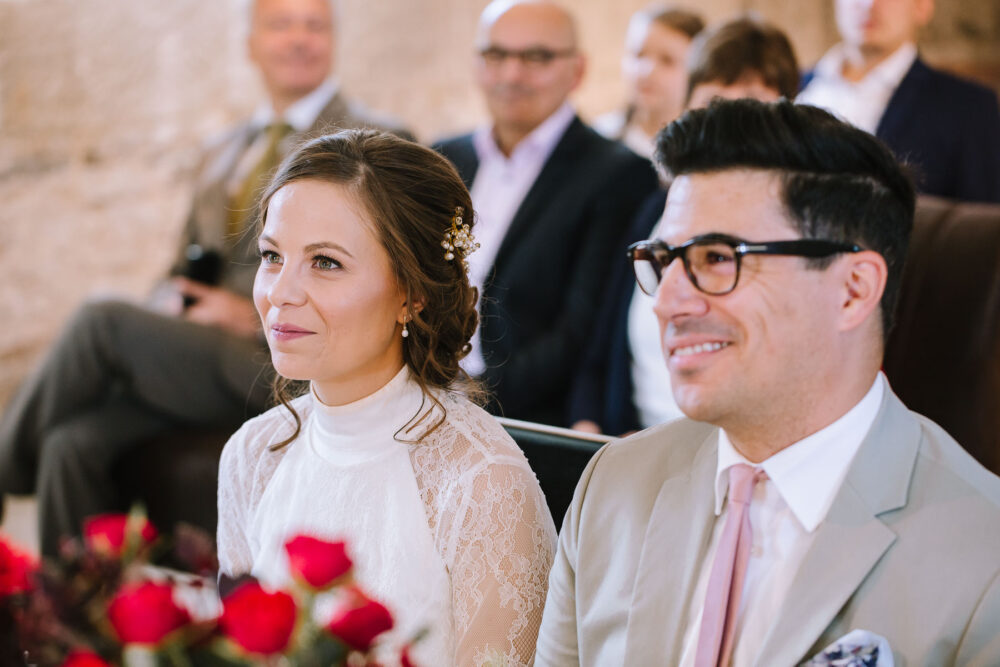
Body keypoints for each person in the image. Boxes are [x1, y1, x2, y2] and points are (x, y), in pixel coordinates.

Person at [537, 99, 1000, 665]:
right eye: (664, 260)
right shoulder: (615, 485)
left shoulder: (984, 557)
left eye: (716, 257)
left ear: (853, 290)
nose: (669, 302)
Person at [0, 0, 412, 554]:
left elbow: (379, 273)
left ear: (333, 40)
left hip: (277, 355)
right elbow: (178, 268)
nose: (299, 38)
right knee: (69, 444)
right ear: (251, 44)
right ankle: (77, 603)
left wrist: (249, 312)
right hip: (200, 358)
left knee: (100, 320)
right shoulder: (221, 151)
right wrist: (170, 305)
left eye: (314, 25)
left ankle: (2, 470)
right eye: (281, 24)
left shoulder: (375, 141)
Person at [217, 130, 556, 666]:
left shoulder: (481, 484)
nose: (280, 292)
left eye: (325, 262)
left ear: (411, 294)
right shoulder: (253, 455)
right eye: (272, 255)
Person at [569, 15, 799, 436]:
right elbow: (599, 353)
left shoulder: (790, 229)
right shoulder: (653, 210)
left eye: (750, 105)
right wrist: (590, 431)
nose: (727, 125)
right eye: (713, 104)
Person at [434, 0, 659, 426]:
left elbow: (582, 330)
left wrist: (469, 402)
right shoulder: (443, 158)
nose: (511, 74)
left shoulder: (617, 175)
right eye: (495, 55)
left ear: (577, 70)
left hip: (528, 421)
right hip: (421, 398)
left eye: (536, 57)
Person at [798, 0, 1000, 203]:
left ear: (922, 6)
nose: (868, 4)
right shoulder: (794, 89)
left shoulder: (969, 108)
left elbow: (982, 216)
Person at [592, 5, 704, 158]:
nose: (647, 71)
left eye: (667, 60)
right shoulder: (601, 135)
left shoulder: (708, 151)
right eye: (639, 54)